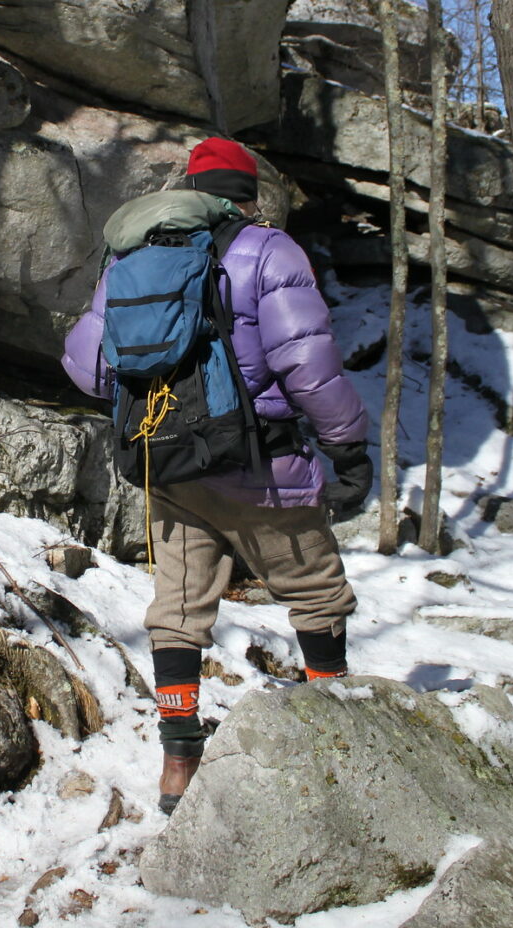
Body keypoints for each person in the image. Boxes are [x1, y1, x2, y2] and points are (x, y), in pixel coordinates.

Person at [61, 136, 373, 814]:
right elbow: (310, 368)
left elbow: (89, 369)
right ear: (249, 192)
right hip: (261, 466)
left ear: (190, 189)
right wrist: (348, 447)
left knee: (177, 612)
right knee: (317, 595)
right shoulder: (269, 250)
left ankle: (178, 766)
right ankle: (343, 739)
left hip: (169, 464)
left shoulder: (131, 256)